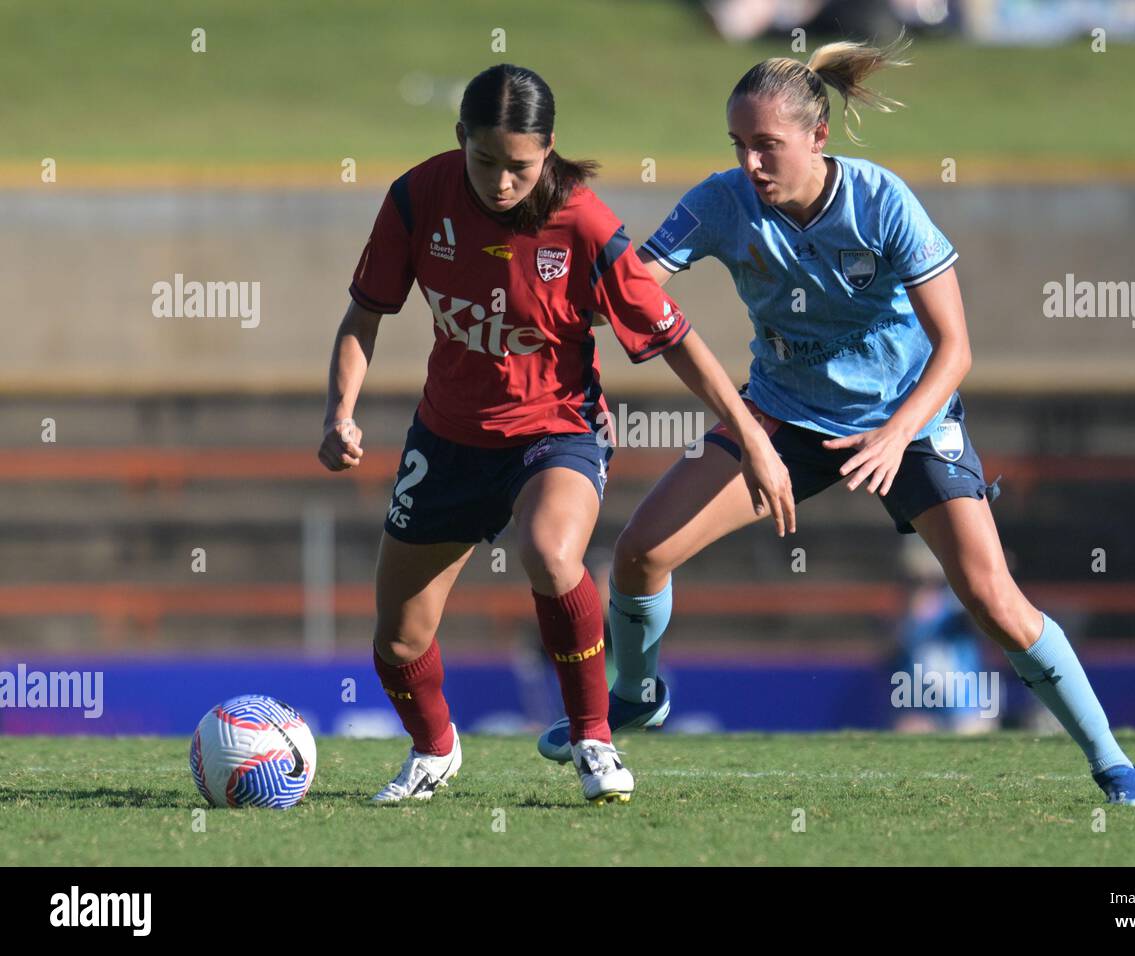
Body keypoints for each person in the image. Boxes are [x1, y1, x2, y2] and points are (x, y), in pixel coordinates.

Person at [538, 40, 1135, 806]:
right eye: (739, 146)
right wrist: (567, 262)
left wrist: (897, 435)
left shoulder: (882, 202)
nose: (752, 164)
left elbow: (956, 349)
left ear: (817, 138)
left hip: (907, 419)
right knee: (640, 553)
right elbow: (634, 289)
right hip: (784, 414)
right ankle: (636, 696)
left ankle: (1112, 763)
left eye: (767, 145)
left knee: (994, 599)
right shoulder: (722, 201)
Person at [319, 63, 794, 805]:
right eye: (485, 162)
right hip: (447, 438)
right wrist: (340, 412)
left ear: (548, 151)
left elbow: (675, 339)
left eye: (520, 166)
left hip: (557, 429)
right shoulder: (418, 198)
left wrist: (754, 441)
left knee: (548, 550)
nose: (502, 182)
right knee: (399, 641)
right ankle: (434, 751)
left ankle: (594, 740)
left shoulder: (583, 223)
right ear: (459, 141)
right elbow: (364, 317)